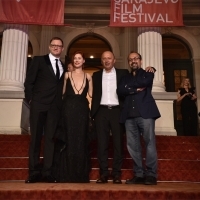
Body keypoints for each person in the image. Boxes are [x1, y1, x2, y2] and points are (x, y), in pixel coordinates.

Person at [24, 37, 65, 183]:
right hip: (39, 105)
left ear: (62, 49)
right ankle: (34, 172)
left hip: (54, 108)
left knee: (50, 140)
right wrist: (31, 100)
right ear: (49, 47)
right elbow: (29, 82)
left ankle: (47, 172)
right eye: (53, 45)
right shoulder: (39, 60)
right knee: (35, 139)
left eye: (58, 46)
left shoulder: (63, 65)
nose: (56, 47)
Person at [117, 52, 160, 185]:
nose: (133, 61)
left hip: (146, 113)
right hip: (129, 116)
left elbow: (145, 81)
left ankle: (151, 174)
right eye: (130, 59)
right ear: (128, 62)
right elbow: (120, 90)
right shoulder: (124, 78)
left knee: (149, 143)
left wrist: (129, 87)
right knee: (133, 146)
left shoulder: (148, 73)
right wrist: (135, 89)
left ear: (140, 61)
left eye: (135, 58)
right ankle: (139, 174)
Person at [53, 50, 93, 183]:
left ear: (83, 61)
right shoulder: (67, 75)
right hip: (68, 109)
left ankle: (79, 174)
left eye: (79, 58)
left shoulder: (88, 77)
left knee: (80, 139)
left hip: (82, 110)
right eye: (75, 58)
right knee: (69, 139)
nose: (77, 60)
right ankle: (66, 174)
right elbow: (62, 93)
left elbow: (92, 95)